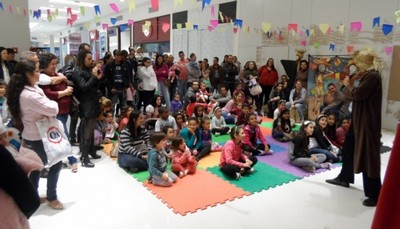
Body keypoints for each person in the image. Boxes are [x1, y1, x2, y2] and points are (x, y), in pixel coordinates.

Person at [327, 49, 383, 207]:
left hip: (367, 124)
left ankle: (375, 194)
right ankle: (344, 178)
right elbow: (352, 94)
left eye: (358, 63)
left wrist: (348, 85)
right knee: (348, 148)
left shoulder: (372, 76)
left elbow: (357, 95)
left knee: (367, 156)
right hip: (358, 122)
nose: (356, 66)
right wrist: (351, 83)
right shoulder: (366, 75)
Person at [6, 60, 64, 210]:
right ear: (28, 74)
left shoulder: (29, 88)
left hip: (35, 134)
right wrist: (52, 104)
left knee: (36, 167)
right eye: (37, 71)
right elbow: (53, 109)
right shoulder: (28, 95)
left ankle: (32, 196)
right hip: (38, 136)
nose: (40, 73)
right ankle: (52, 197)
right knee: (55, 164)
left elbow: (47, 88)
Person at [38, 52, 77, 172]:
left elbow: (65, 84)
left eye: (56, 63)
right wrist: (65, 92)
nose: (54, 66)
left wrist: (65, 87)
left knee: (61, 136)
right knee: (63, 135)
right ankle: (72, 160)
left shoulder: (56, 75)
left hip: (64, 110)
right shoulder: (43, 78)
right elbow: (49, 94)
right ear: (44, 65)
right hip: (55, 112)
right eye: (52, 64)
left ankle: (60, 159)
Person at [71, 50, 103, 167]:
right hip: (86, 104)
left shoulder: (87, 70)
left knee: (93, 128)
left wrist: (98, 78)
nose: (91, 61)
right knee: (87, 131)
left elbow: (93, 87)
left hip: (93, 102)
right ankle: (84, 158)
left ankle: (91, 151)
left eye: (91, 59)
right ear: (82, 59)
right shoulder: (76, 71)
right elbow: (84, 87)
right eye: (89, 59)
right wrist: (94, 78)